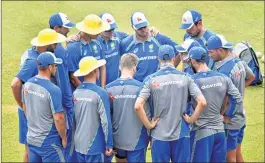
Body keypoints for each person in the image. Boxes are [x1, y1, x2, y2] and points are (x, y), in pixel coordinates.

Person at [134, 45, 207, 162]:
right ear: (174, 58)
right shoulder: (186, 77)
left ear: (158, 59)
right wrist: (192, 119)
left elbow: (138, 106)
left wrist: (148, 125)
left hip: (159, 134)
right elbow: (202, 102)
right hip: (181, 133)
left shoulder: (150, 79)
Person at [11, 28, 66, 162]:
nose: (56, 47)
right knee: (28, 151)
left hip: (33, 106)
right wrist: (24, 106)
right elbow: (15, 84)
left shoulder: (33, 55)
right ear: (51, 67)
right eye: (54, 44)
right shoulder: (32, 62)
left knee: (31, 148)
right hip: (35, 110)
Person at [188, 46, 243, 162]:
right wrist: (227, 115)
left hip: (201, 132)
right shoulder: (222, 78)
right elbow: (238, 98)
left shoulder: (192, 80)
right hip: (220, 131)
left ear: (193, 61)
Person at [207, 34, 255, 162]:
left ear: (220, 50)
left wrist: (224, 115)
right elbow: (251, 77)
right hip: (241, 117)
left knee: (229, 158)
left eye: (211, 52)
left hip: (230, 121)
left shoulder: (224, 71)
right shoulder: (239, 62)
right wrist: (239, 91)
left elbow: (227, 98)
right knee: (238, 155)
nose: (209, 55)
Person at [22, 52, 66, 162]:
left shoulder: (27, 84)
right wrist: (64, 138)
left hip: (31, 139)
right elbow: (58, 118)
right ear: (50, 67)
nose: (56, 68)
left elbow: (25, 107)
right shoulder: (53, 89)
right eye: (55, 65)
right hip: (49, 143)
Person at [105, 53, 149, 162]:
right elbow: (147, 114)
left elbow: (106, 118)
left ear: (120, 67)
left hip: (117, 140)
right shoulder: (141, 88)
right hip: (137, 141)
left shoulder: (108, 88)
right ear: (135, 68)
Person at [73, 56, 113, 162]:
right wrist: (109, 143)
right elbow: (106, 121)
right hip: (95, 146)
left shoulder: (76, 92)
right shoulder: (101, 93)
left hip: (79, 144)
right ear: (96, 71)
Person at [121, 12, 181, 82]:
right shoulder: (126, 44)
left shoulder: (159, 38)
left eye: (145, 26)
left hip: (157, 84)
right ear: (133, 27)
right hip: (137, 86)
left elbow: (179, 51)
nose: (143, 30)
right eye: (140, 28)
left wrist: (170, 70)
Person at [49, 12, 76, 162]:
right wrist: (70, 108)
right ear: (56, 28)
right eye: (65, 28)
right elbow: (64, 84)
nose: (68, 31)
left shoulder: (48, 48)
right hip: (62, 108)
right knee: (66, 146)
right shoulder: (58, 51)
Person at [67, 14, 110, 90]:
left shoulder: (98, 42)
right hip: (82, 93)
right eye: (96, 31)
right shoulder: (73, 47)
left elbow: (102, 67)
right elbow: (73, 75)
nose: (99, 33)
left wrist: (102, 88)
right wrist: (86, 92)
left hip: (97, 91)